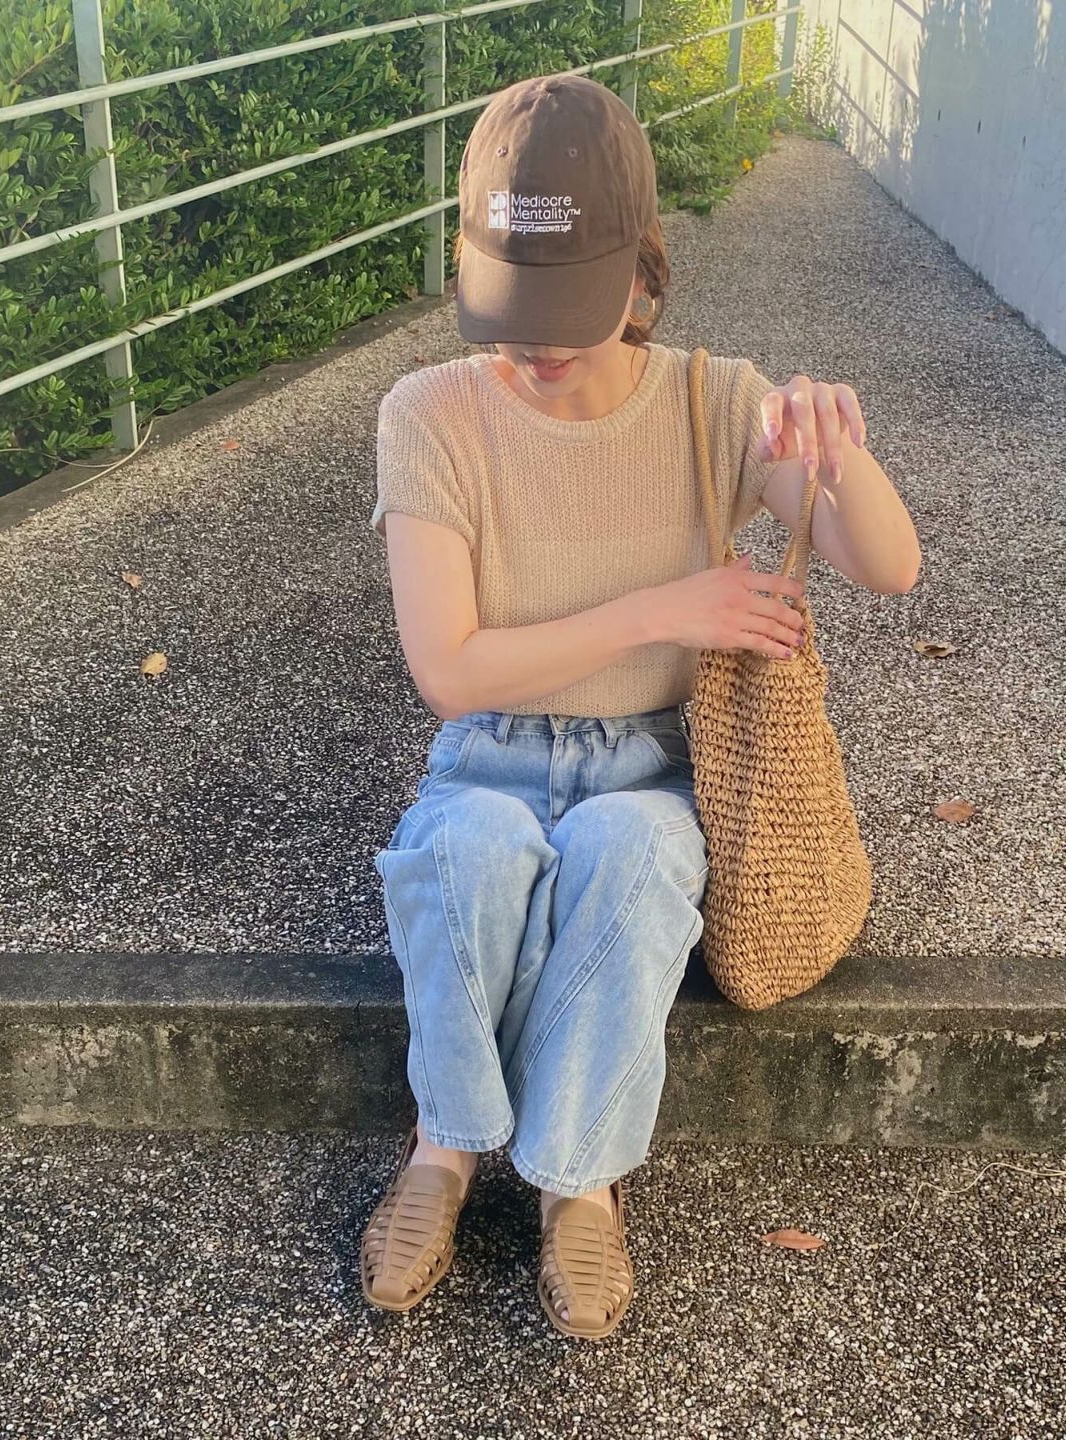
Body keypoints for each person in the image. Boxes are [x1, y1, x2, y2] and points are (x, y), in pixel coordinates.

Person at [360, 72, 920, 1340]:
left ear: (640, 263)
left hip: (650, 765)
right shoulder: (430, 414)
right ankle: (443, 1146)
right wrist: (664, 608)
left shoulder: (715, 399)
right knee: (468, 848)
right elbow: (450, 671)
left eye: (568, 303)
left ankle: (581, 1182)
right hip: (486, 754)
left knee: (637, 854)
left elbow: (889, 566)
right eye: (512, 306)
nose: (538, 344)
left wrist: (836, 448)